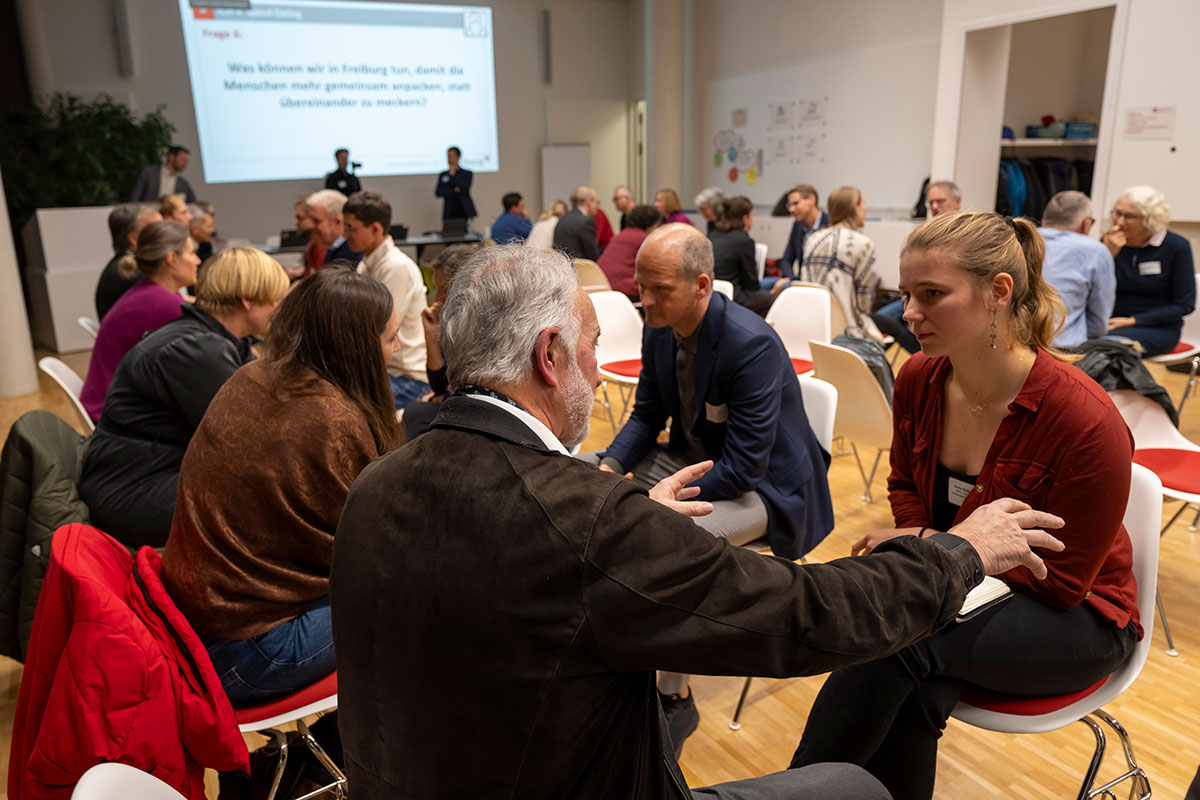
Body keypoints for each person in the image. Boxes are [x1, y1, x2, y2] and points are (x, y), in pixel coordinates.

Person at [330, 241, 1067, 799]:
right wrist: (959, 553)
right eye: (590, 345)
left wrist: (623, 525)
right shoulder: (586, 524)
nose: (597, 367)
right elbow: (811, 616)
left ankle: (676, 698)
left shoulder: (377, 482)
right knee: (857, 788)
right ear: (550, 356)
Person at [790, 212, 1141, 800]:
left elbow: (1063, 583)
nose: (907, 313)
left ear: (997, 292)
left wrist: (933, 550)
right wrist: (934, 545)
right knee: (915, 684)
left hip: (1079, 616)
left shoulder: (1084, 419)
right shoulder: (920, 379)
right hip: (965, 581)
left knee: (899, 637)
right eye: (906, 294)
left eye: (931, 295)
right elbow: (904, 485)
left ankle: (788, 790)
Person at [600, 222, 836, 746]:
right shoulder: (659, 326)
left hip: (768, 489)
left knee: (670, 544)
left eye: (660, 290)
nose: (646, 301)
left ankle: (675, 697)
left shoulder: (748, 344)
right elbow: (645, 416)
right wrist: (610, 469)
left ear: (702, 286)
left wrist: (649, 502)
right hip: (697, 461)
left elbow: (747, 468)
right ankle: (616, 653)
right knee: (588, 479)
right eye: (642, 288)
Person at [162, 265, 402, 705]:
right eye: (390, 338)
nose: (397, 348)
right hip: (248, 651)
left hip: (195, 623)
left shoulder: (252, 375)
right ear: (359, 347)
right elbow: (375, 549)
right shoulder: (332, 420)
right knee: (421, 600)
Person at [80, 249, 288, 548]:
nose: (281, 309)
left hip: (144, 472)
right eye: (277, 300)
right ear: (248, 300)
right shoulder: (195, 350)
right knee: (269, 505)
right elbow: (251, 435)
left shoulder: (209, 337)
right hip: (134, 489)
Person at [80, 221, 197, 421]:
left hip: (110, 401)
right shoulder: (160, 302)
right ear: (172, 259)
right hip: (116, 414)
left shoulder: (153, 292)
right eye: (191, 253)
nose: (197, 260)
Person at [343, 190, 430, 408]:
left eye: (351, 228)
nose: (345, 235)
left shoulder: (396, 268)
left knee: (345, 405)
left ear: (375, 229)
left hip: (406, 378)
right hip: (388, 372)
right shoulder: (367, 264)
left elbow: (378, 332)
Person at [1102, 185, 1196, 356]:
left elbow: (1184, 304)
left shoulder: (1176, 247)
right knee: (1073, 338)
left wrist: (1132, 321)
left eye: (1129, 216)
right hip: (1110, 321)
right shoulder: (1110, 242)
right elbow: (1094, 289)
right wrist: (1107, 256)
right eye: (1117, 213)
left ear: (1150, 219)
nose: (1119, 222)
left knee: (1105, 345)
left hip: (1157, 327)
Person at [399, 243, 479, 440]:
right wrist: (432, 337)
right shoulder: (455, 322)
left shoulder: (484, 326)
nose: (436, 299)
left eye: (443, 290)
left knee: (416, 413)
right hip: (464, 408)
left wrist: (444, 398)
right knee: (416, 412)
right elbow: (440, 386)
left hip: (482, 415)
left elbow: (472, 395)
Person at [873, 179, 962, 352]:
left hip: (940, 293)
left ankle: (927, 355)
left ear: (957, 202)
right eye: (931, 202)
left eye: (940, 201)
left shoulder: (965, 231)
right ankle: (922, 354)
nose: (935, 206)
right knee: (880, 320)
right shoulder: (926, 231)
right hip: (917, 292)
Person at [801, 185, 885, 341]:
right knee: (893, 326)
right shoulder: (863, 244)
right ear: (855, 209)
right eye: (863, 204)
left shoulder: (813, 238)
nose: (865, 210)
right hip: (845, 327)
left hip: (810, 320)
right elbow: (862, 304)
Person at [1037, 190, 1115, 349]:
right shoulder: (1096, 251)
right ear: (1086, 223)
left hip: (1011, 348)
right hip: (1063, 351)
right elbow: (1099, 324)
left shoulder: (1019, 239)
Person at [709, 195, 778, 316]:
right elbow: (751, 283)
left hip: (712, 293)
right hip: (733, 295)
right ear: (745, 218)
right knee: (768, 298)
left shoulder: (712, 236)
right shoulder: (744, 241)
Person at [94, 203, 162, 320]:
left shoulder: (123, 266)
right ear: (134, 239)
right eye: (156, 229)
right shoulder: (131, 272)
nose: (165, 234)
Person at [597, 203, 660, 300]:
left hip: (603, 285)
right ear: (651, 223)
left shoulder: (620, 235)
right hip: (625, 291)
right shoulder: (644, 239)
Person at [774, 184, 828, 281]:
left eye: (796, 203)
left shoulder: (830, 224)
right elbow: (786, 260)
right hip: (799, 279)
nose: (791, 209)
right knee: (763, 285)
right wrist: (790, 279)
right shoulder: (798, 225)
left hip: (820, 282)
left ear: (811, 200)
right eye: (789, 205)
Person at [303, 188, 361, 277]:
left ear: (337, 222)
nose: (310, 226)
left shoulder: (353, 258)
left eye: (316, 221)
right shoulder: (333, 248)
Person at [130, 145, 196, 203]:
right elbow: (134, 198)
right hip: (147, 213)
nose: (185, 164)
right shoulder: (148, 173)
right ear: (171, 157)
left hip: (169, 216)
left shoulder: (183, 184)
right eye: (183, 160)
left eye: (187, 161)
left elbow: (193, 203)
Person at [552, 185, 600, 261]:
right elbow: (592, 256)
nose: (597, 206)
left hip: (561, 267)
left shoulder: (563, 218)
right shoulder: (586, 222)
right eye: (597, 202)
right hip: (580, 269)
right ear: (589, 202)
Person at [435, 145, 476, 223]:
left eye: (452, 156)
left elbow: (464, 189)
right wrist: (454, 190)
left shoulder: (466, 173)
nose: (449, 159)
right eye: (448, 156)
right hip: (449, 210)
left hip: (463, 209)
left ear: (458, 157)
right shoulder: (443, 175)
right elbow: (438, 192)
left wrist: (453, 176)